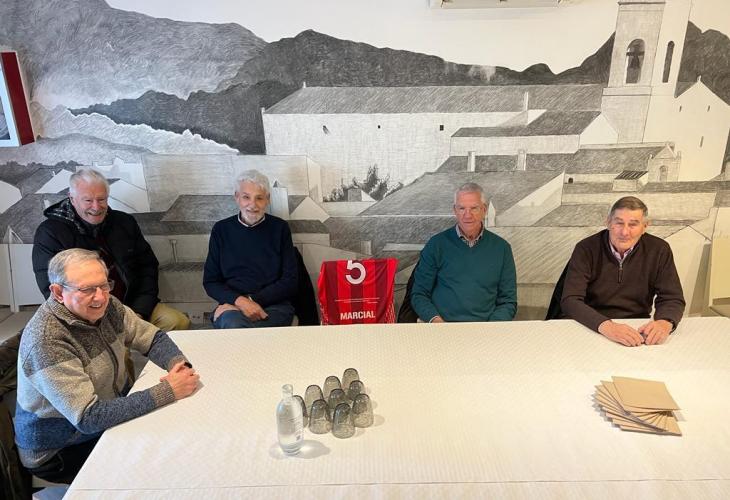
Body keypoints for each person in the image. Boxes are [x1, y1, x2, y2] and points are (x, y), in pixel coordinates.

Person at [14, 249, 199, 484]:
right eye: (87, 289)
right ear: (58, 292)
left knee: (179, 439)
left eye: (104, 285)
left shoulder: (108, 305)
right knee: (158, 469)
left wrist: (178, 365)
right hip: (61, 449)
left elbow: (152, 338)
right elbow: (89, 417)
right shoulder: (47, 341)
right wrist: (168, 390)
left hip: (105, 417)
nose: (100, 297)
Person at [32, 168, 190, 331]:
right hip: (85, 313)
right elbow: (51, 286)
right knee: (114, 345)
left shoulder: (125, 222)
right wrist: (98, 320)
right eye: (88, 200)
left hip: (133, 306)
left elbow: (147, 268)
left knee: (177, 321)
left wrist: (140, 311)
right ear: (72, 199)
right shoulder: (50, 232)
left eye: (101, 199)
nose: (96, 207)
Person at [560, 196, 685, 347]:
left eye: (633, 224)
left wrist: (665, 322)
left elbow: (672, 297)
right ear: (608, 223)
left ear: (645, 226)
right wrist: (608, 327)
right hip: (592, 325)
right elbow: (570, 300)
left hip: (636, 326)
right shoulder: (586, 248)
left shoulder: (659, 250)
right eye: (619, 223)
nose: (625, 232)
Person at [410, 182, 517, 322]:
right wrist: (437, 322)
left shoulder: (502, 248)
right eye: (462, 208)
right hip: (442, 326)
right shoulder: (436, 245)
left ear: (484, 210)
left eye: (474, 208)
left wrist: (490, 328)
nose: (468, 215)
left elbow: (508, 301)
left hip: (486, 327)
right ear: (455, 210)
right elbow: (419, 294)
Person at [203, 170, 298, 328]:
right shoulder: (221, 230)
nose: (252, 205)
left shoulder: (280, 228)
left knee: (242, 330)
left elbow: (290, 280)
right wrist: (240, 302)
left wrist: (250, 302)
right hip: (233, 306)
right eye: (246, 197)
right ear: (237, 197)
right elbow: (211, 282)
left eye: (259, 198)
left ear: (267, 199)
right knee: (234, 324)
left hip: (275, 306)